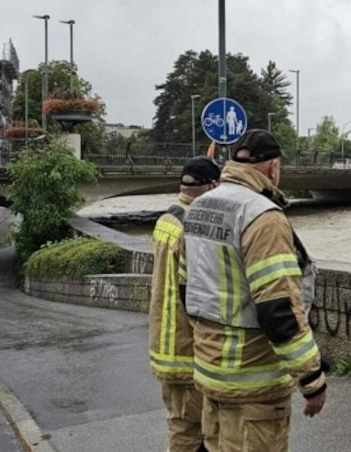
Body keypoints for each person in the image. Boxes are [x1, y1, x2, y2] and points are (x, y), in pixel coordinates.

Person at [181, 129, 327, 452]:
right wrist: (312, 378)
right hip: (254, 385)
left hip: (209, 373)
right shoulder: (263, 217)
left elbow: (185, 289)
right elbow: (279, 310)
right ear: (274, 168)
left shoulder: (197, 209)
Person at [149, 156, 221, 452]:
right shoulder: (194, 226)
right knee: (189, 430)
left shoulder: (167, 218)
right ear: (212, 186)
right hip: (185, 347)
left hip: (163, 342)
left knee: (183, 422)